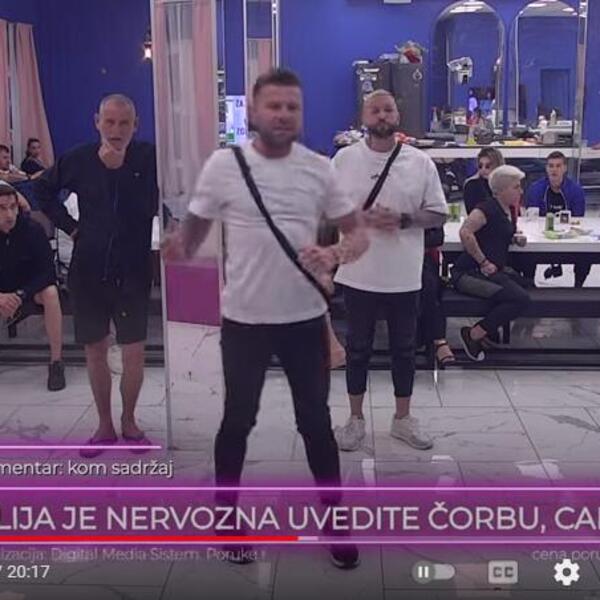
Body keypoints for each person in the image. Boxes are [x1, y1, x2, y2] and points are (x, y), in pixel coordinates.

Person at [162, 68, 368, 569]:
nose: (283, 114)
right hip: (244, 320)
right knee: (237, 420)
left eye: (292, 107)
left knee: (315, 423)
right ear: (254, 112)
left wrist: (335, 254)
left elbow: (358, 234)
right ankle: (227, 518)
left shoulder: (318, 169)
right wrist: (177, 246)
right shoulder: (224, 165)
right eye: (274, 106)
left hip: (304, 319)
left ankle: (334, 521)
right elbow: (193, 234)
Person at [36, 94, 158, 457]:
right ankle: (104, 425)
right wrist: (70, 227)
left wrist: (120, 171)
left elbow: (164, 200)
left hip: (133, 269)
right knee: (95, 350)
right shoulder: (78, 158)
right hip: (89, 268)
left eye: (124, 123)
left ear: (135, 125)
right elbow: (42, 189)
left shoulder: (149, 158)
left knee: (134, 351)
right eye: (109, 122)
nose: (116, 130)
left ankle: (129, 421)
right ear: (97, 122)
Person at [332, 89, 448, 453]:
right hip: (358, 272)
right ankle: (354, 420)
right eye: (375, 110)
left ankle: (403, 418)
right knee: (358, 348)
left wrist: (404, 219)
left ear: (397, 116)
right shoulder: (344, 159)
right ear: (363, 117)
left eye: (388, 110)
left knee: (404, 349)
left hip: (404, 274)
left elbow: (439, 213)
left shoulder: (420, 162)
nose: (382, 115)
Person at [452, 165, 532, 362]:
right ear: (502, 190)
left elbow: (495, 234)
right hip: (470, 273)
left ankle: (489, 331)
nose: (521, 191)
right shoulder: (485, 209)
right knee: (519, 298)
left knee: (528, 285)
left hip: (493, 271)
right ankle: (474, 333)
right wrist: (483, 261)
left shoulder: (508, 210)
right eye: (516, 187)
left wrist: (514, 239)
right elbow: (465, 232)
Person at [0, 185, 65, 390]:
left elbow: (48, 273)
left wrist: (21, 294)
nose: (9, 214)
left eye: (12, 207)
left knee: (51, 293)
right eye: (2, 208)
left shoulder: (32, 229)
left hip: (28, 289)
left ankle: (56, 362)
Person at [525, 151, 590, 287]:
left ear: (565, 168)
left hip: (569, 236)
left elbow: (579, 219)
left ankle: (578, 287)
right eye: (551, 166)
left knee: (586, 253)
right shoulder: (535, 189)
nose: (554, 169)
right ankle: (529, 285)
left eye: (558, 166)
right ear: (546, 168)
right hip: (540, 235)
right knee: (526, 253)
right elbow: (531, 217)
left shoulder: (576, 190)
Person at [420, 227, 455, 367]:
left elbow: (437, 238)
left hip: (423, 259)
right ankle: (437, 340)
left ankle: (437, 339)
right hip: (390, 261)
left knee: (432, 286)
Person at [463, 147, 505, 214]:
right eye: (480, 166)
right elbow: (472, 213)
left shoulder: (505, 184)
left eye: (487, 166)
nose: (483, 169)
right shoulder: (472, 185)